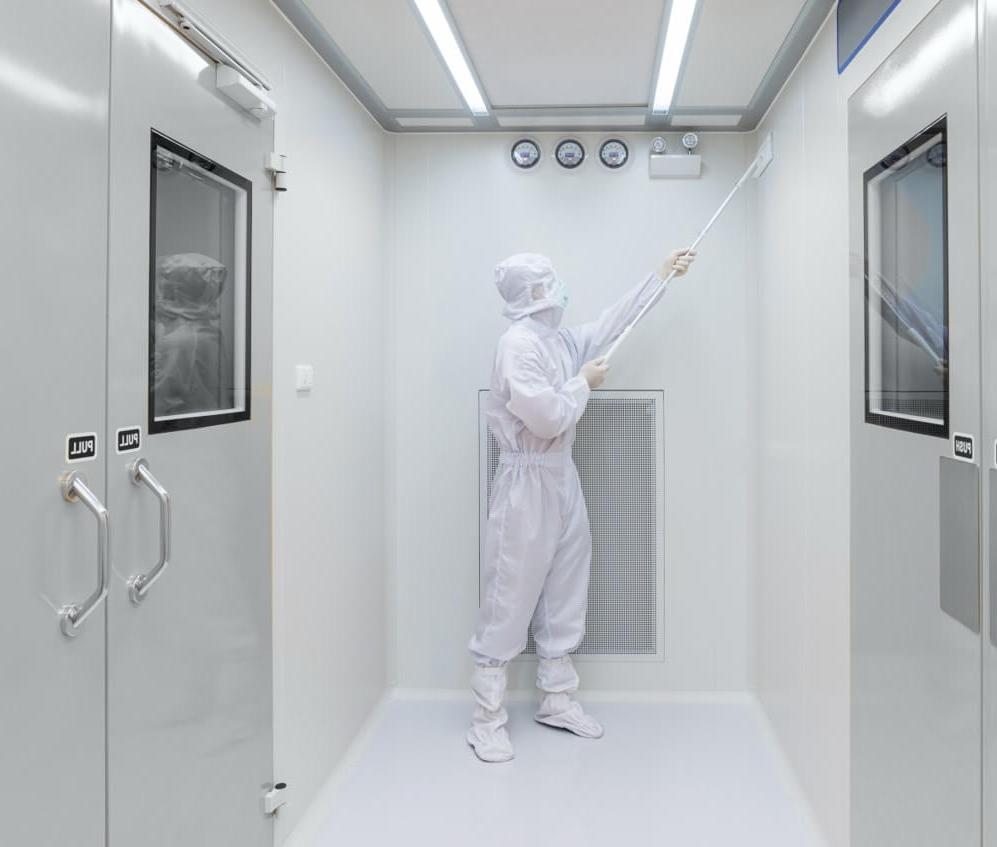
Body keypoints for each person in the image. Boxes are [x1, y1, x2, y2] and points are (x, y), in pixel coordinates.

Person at [467, 249, 695, 763]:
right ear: (536, 292)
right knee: (510, 593)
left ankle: (557, 700)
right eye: (552, 281)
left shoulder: (557, 340)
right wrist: (583, 384)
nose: (560, 287)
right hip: (525, 482)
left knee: (566, 586)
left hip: (561, 477)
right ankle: (487, 720)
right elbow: (546, 418)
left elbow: (612, 323)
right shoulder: (516, 346)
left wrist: (660, 275)